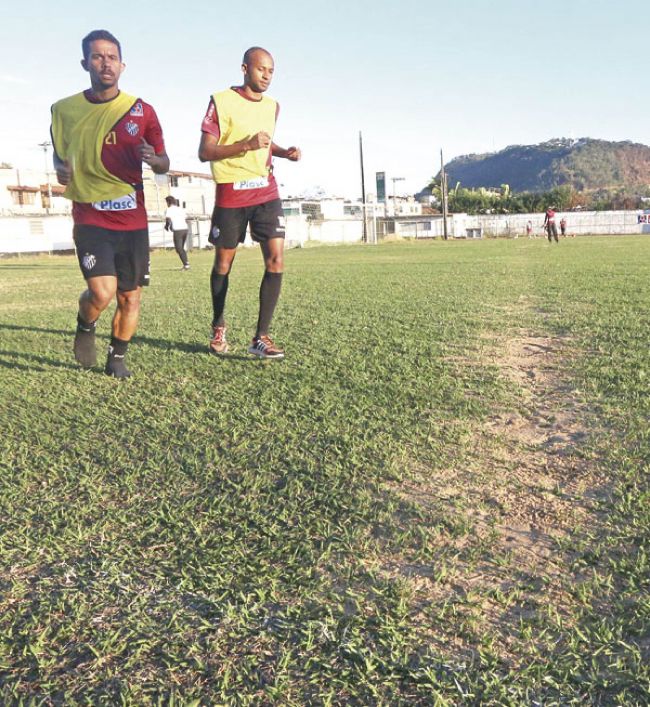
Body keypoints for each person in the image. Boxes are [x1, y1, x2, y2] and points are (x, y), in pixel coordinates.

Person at [51, 29, 169, 378]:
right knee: (102, 293)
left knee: (130, 297)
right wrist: (62, 170)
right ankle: (85, 325)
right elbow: (60, 157)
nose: (106, 63)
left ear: (122, 64)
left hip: (132, 221)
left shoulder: (141, 110)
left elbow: (164, 161)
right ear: (85, 62)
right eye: (98, 56)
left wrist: (154, 159)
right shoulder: (64, 110)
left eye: (112, 57)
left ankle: (117, 358)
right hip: (90, 216)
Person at [198, 46, 301, 359]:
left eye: (271, 70)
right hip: (232, 193)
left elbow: (264, 145)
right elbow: (206, 151)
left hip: (265, 192)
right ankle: (218, 326)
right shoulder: (221, 101)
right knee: (223, 264)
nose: (267, 76)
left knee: (277, 259)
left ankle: (261, 337)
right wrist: (245, 145)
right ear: (245, 68)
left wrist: (285, 152)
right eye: (261, 69)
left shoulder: (273, 106)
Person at [165, 196, 190, 269]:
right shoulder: (180, 209)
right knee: (181, 248)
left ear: (168, 202)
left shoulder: (169, 209)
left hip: (177, 230)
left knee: (179, 248)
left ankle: (186, 264)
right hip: (185, 229)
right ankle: (186, 263)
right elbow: (184, 217)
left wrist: (167, 226)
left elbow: (168, 219)